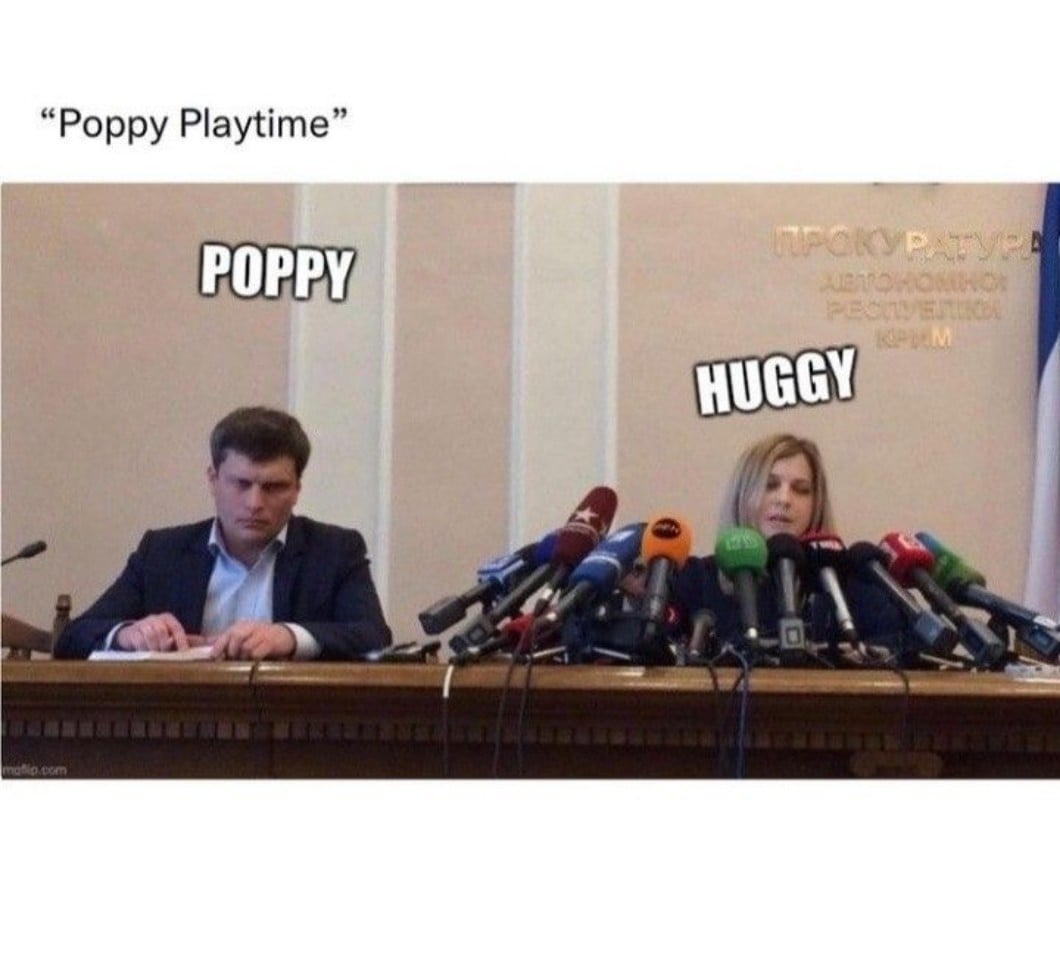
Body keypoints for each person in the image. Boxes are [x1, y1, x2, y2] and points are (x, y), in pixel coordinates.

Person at [55, 406, 392, 660]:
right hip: (179, 721)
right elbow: (73, 637)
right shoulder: (163, 551)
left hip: (295, 722)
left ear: (297, 490)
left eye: (274, 487)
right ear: (213, 480)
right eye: (241, 484)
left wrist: (288, 637)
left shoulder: (335, 551)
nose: (255, 503)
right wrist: (127, 634)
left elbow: (374, 636)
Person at [672, 432, 906, 660]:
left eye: (801, 490)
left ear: (816, 505)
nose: (784, 499)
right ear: (742, 494)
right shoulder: (697, 580)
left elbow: (905, 648)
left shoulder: (847, 589)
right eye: (770, 485)